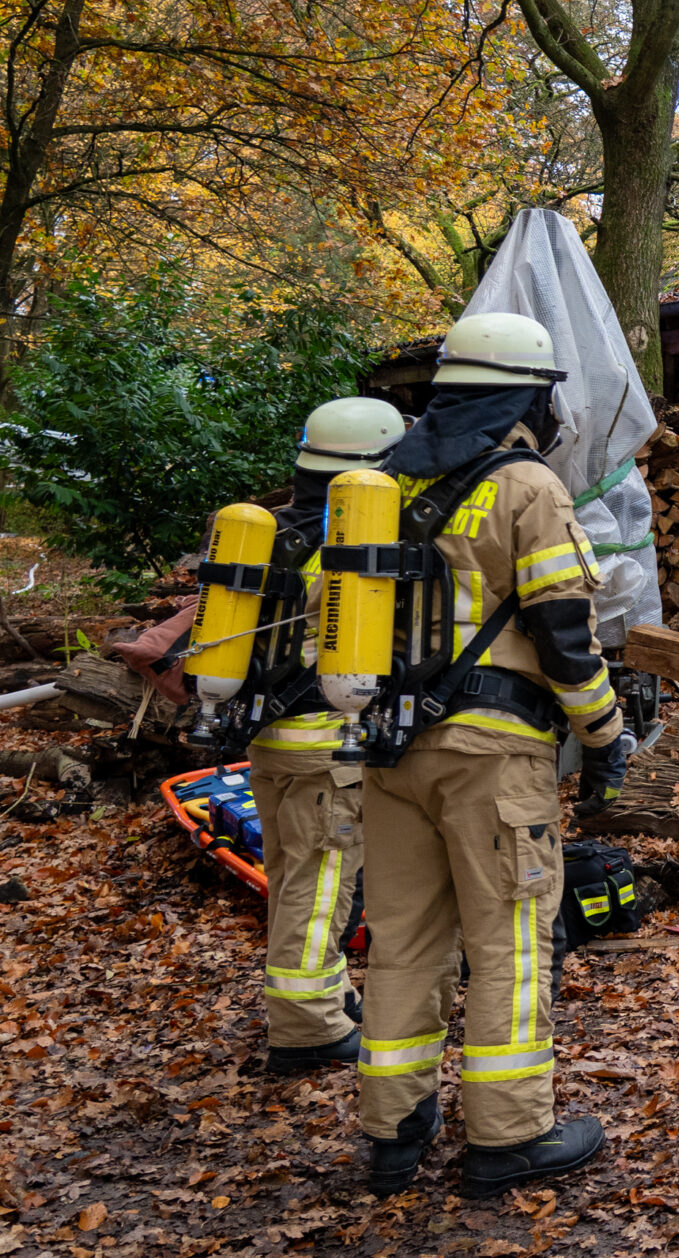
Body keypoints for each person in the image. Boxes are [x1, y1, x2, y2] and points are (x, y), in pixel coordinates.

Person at [355, 311, 632, 1198]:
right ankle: (510, 1135)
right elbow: (564, 634)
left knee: (402, 942)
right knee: (510, 939)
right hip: (493, 754)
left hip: (390, 750)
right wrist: (605, 736)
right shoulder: (526, 487)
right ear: (528, 399)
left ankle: (394, 1131)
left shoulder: (383, 483)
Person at [251, 397, 406, 1074]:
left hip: (267, 734)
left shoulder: (270, 528)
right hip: (327, 741)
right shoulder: (350, 539)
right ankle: (308, 1027)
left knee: (291, 876)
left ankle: (325, 996)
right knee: (321, 884)